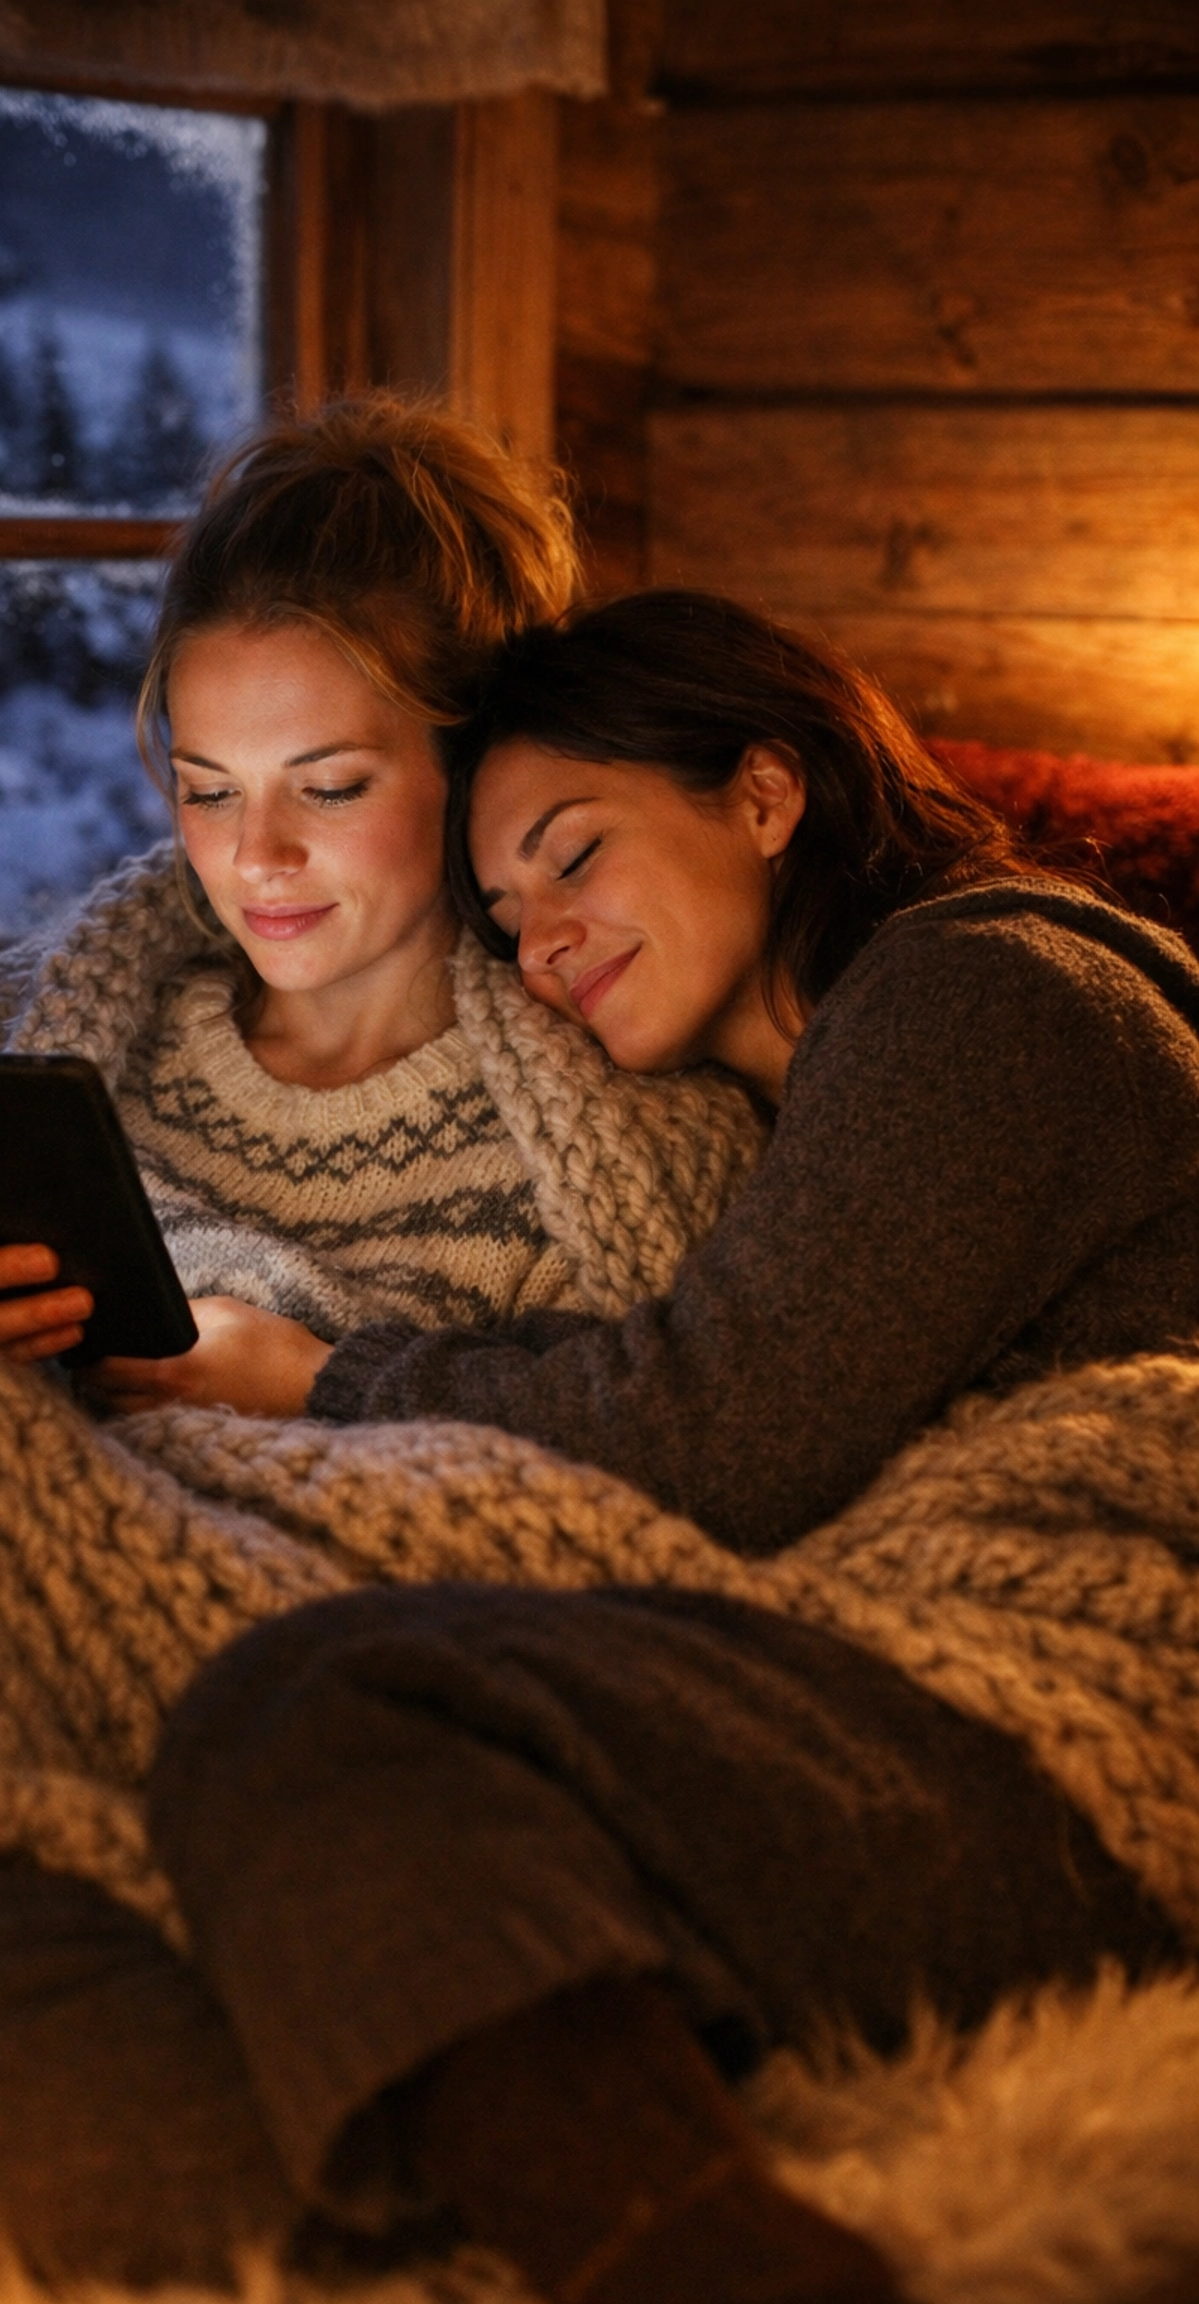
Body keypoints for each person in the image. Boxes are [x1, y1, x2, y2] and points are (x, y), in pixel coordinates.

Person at [0, 442, 768, 2296]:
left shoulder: (625, 1100)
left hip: (307, 1698)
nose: (257, 858)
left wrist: (319, 1381)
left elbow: (678, 1480)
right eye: (203, 789)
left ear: (472, 765)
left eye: (330, 788)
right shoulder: (63, 1011)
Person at [122, 591, 1199, 2301]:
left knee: (323, 1697)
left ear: (765, 796)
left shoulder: (986, 997)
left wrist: (321, 1379)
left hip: (1094, 1706)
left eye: (575, 855)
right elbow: (697, 1364)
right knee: (26, 1981)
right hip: (943, 1684)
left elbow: (709, 1428)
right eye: (504, 908)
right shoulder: (825, 1087)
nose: (542, 938)